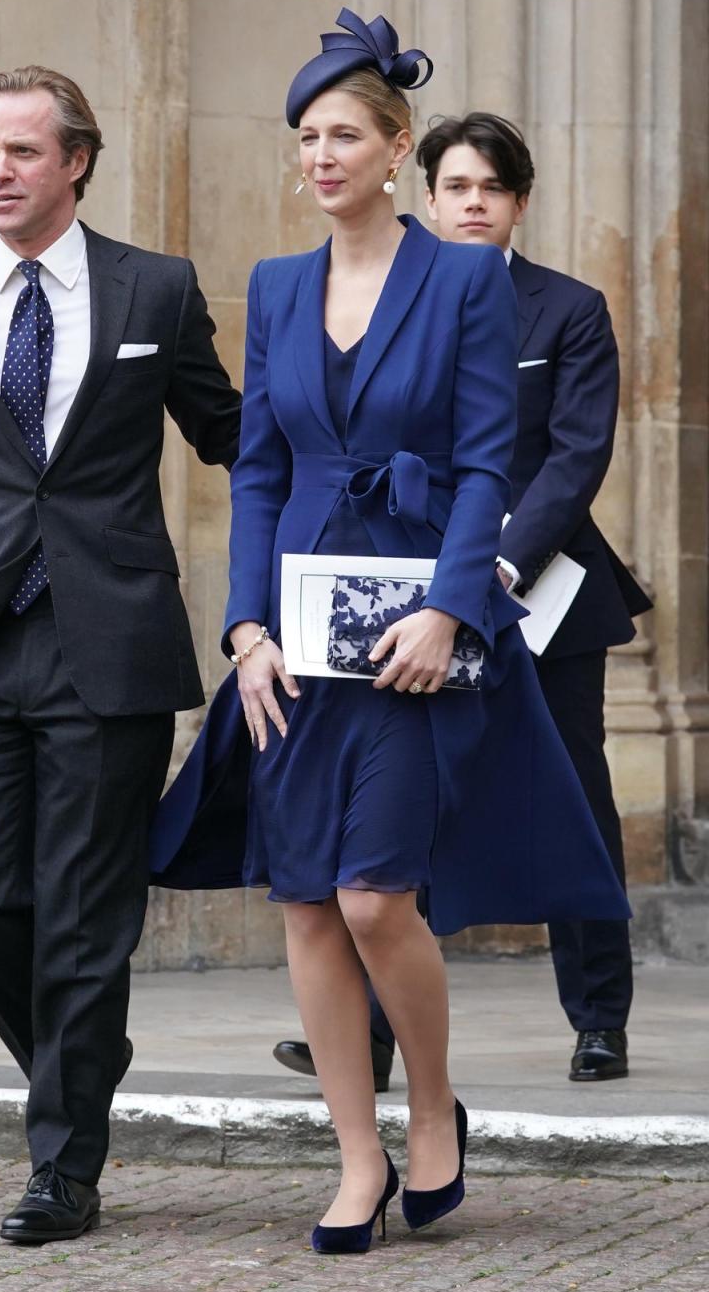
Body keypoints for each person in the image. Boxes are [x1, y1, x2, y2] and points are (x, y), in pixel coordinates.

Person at [149, 11, 631, 1254]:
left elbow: (484, 463)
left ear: (395, 145)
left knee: (373, 898)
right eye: (305, 137)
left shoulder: (466, 278)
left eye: (345, 134)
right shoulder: (273, 284)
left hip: (420, 629)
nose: (320, 155)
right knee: (306, 901)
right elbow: (256, 469)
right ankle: (356, 1156)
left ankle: (431, 1108)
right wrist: (245, 626)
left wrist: (451, 604)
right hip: (298, 633)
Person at [0, 65, 240, 1244]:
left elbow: (233, 437)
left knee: (84, 913)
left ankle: (62, 1166)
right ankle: (82, 1057)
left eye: (21, 152)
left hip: (110, 644)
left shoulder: (156, 291)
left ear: (77, 159)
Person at [270, 112, 651, 1090]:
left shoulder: (566, 308)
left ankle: (598, 1012)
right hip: (396, 588)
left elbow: (573, 458)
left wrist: (494, 570)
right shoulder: (381, 297)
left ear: (518, 202)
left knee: (574, 790)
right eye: (456, 186)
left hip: (539, 586)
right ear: (426, 195)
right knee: (385, 808)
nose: (472, 202)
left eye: (492, 187)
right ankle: (372, 1031)